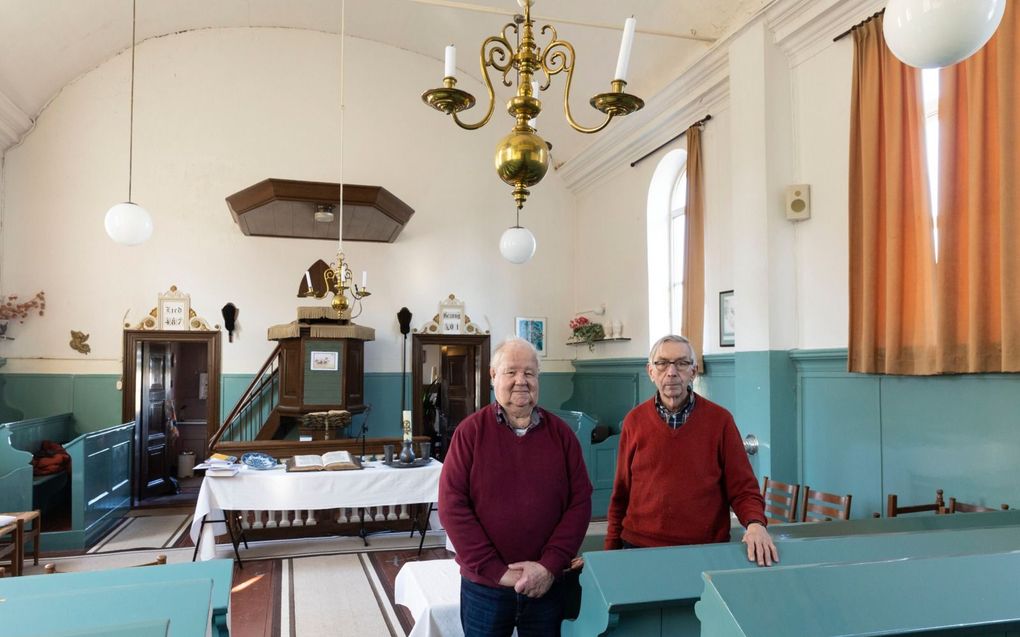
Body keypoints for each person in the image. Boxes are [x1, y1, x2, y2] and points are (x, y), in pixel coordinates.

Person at [439, 337, 593, 636]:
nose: (521, 381)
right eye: (511, 372)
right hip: (486, 586)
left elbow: (580, 502)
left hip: (547, 584)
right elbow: (452, 507)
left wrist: (548, 566)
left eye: (530, 373)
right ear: (493, 376)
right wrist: (499, 572)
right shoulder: (469, 433)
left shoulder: (562, 435)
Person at [604, 334, 778, 566]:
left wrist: (755, 523)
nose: (672, 371)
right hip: (639, 548)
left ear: (693, 372)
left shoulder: (720, 421)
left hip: (705, 550)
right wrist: (609, 552)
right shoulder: (634, 421)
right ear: (650, 371)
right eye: (662, 363)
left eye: (682, 363)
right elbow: (621, 494)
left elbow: (743, 488)